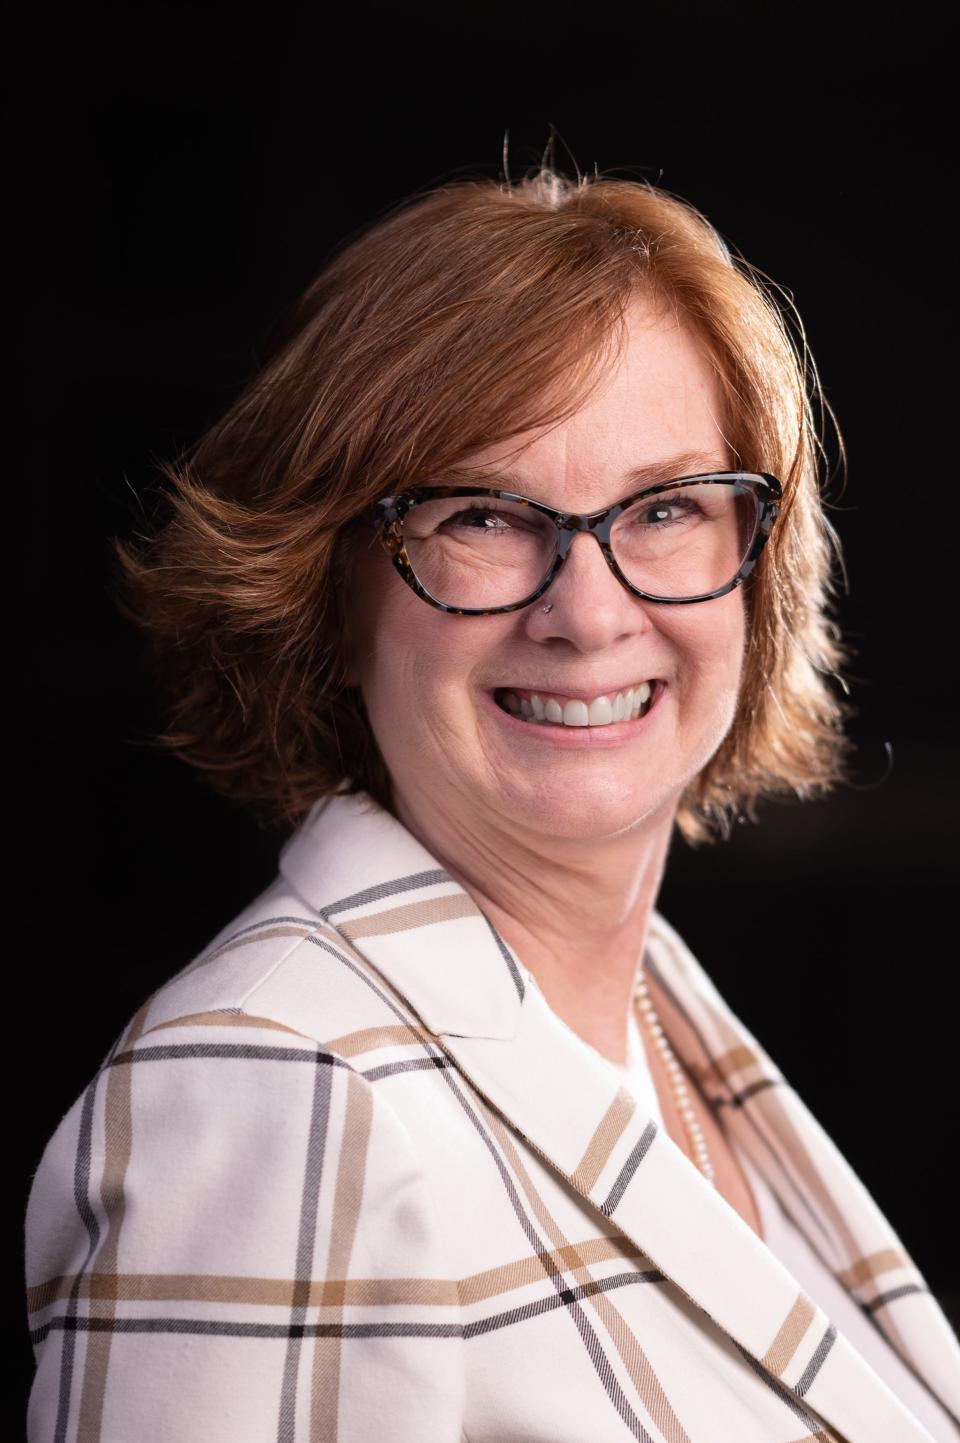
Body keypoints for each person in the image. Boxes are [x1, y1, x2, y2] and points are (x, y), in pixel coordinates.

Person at [24, 163, 960, 1443]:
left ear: (756, 570)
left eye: (669, 506)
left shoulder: (651, 1021)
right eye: (483, 516)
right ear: (326, 596)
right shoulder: (275, 1086)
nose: (585, 613)